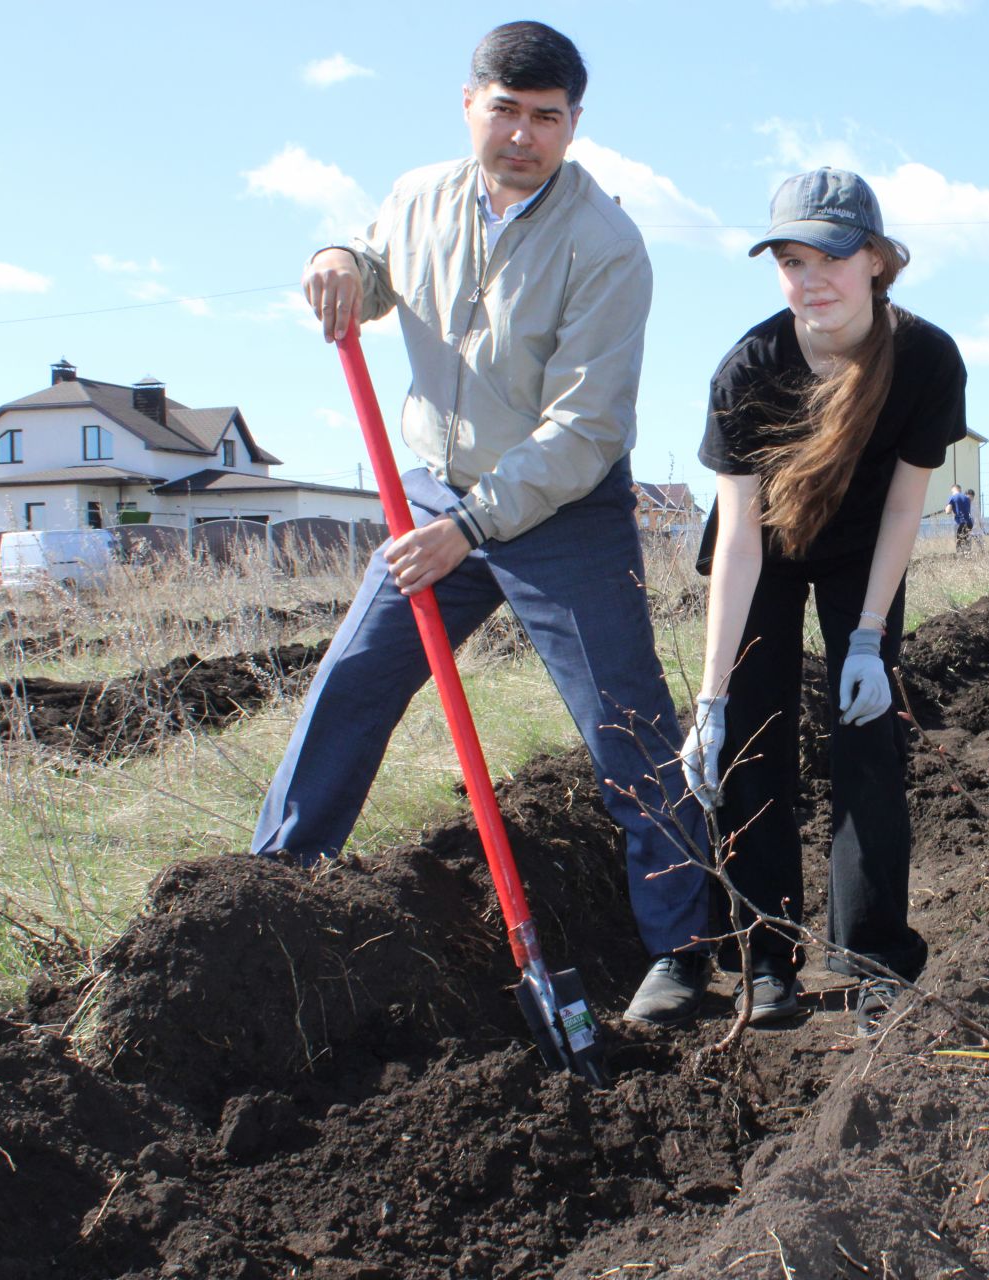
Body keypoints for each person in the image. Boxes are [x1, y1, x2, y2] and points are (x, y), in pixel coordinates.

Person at [252, 21, 710, 1028]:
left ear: (573, 126)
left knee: (624, 723)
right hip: (437, 489)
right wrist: (340, 257)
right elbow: (375, 270)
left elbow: (587, 426)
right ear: (470, 105)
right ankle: (269, 891)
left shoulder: (608, 245)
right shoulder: (419, 196)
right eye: (505, 109)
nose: (522, 135)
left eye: (547, 118)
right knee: (354, 678)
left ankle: (682, 947)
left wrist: (476, 524)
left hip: (564, 509)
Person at [683, 168, 966, 1032]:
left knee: (866, 738)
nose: (811, 280)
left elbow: (907, 506)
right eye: (790, 260)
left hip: (863, 555)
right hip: (763, 548)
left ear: (877, 259)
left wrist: (871, 637)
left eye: (832, 257)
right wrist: (713, 698)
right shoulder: (749, 369)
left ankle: (877, 955)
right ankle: (767, 957)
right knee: (755, 742)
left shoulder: (923, 358)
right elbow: (736, 542)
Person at [945, 483, 975, 552]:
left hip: (959, 523)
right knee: (967, 542)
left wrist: (946, 508)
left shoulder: (952, 497)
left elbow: (948, 511)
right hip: (969, 523)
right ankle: (968, 558)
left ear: (952, 490)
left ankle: (961, 558)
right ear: (960, 490)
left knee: (959, 542)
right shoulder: (967, 499)